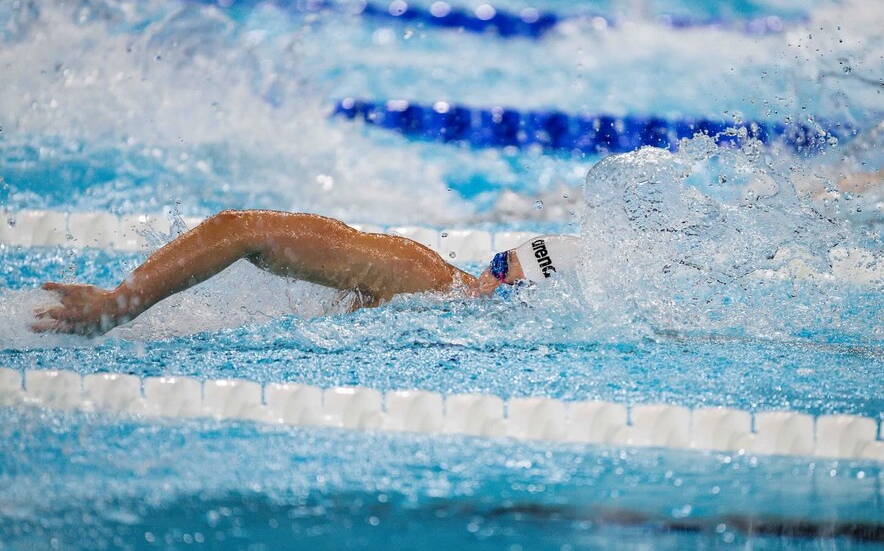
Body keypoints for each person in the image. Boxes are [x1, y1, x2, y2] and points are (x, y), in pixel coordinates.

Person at [32, 210, 580, 335]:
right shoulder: (419, 276)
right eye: (498, 262)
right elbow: (239, 230)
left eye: (504, 273)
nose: (489, 278)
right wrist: (121, 303)